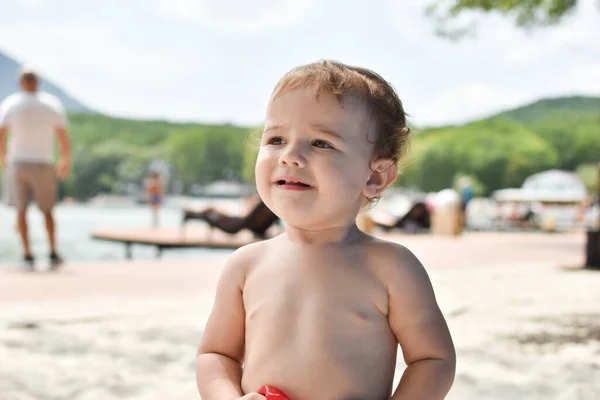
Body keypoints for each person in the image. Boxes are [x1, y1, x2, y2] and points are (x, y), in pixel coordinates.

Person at [196, 60, 456, 400]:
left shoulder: (390, 267)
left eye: (320, 143)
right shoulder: (246, 265)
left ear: (374, 177)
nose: (290, 156)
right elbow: (216, 355)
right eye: (276, 138)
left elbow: (433, 359)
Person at [0, 69, 71, 270]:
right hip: (44, 162)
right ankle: (53, 252)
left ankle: (28, 255)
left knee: (21, 210)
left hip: (19, 162)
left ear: (20, 83)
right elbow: (63, 136)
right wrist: (65, 160)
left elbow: (1, 134)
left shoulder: (10, 103)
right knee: (47, 210)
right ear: (37, 82)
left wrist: (4, 159)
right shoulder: (51, 103)